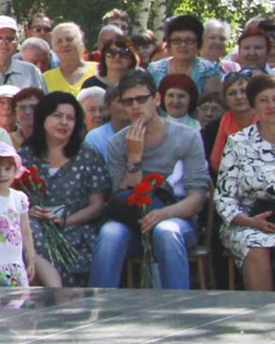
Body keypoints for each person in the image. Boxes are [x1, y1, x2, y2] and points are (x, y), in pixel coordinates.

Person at [90, 70, 213, 289]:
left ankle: (176, 308)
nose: (135, 106)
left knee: (166, 231)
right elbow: (123, 199)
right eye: (128, 102)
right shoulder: (118, 143)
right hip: (132, 221)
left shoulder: (187, 137)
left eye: (141, 99)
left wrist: (163, 214)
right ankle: (99, 307)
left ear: (156, 99)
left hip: (177, 217)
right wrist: (135, 157)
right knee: (109, 233)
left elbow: (197, 198)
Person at [20, 91, 109, 286]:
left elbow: (97, 205)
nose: (64, 122)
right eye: (57, 116)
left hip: (75, 227)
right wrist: (27, 211)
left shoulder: (88, 156)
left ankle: (58, 296)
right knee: (31, 234)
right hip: (35, 227)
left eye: (70, 118)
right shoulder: (24, 157)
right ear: (43, 117)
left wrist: (66, 221)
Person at [215, 75, 275, 291]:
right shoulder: (238, 142)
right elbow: (224, 197)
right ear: (254, 105)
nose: (271, 106)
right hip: (247, 220)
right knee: (257, 243)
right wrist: (250, 222)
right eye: (264, 100)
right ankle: (264, 316)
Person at [0, 143, 37, 288]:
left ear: (15, 170)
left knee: (20, 304)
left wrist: (30, 260)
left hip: (16, 263)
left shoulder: (19, 197)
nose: (3, 174)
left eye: (8, 169)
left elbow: (26, 232)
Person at [150, 14, 221, 95]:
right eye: (176, 40)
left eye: (189, 40)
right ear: (169, 44)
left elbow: (213, 104)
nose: (183, 45)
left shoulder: (209, 70)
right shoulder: (154, 70)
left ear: (199, 43)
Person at [208, 71, 256, 171]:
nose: (239, 97)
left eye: (243, 91)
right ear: (225, 99)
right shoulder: (213, 128)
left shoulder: (268, 122)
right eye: (232, 93)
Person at [43, 22, 96, 94]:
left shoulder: (99, 70)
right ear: (53, 48)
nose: (64, 44)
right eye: (59, 41)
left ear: (81, 42)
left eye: (69, 39)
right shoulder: (45, 79)